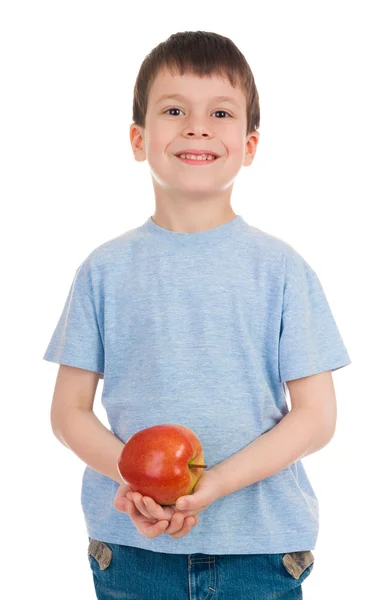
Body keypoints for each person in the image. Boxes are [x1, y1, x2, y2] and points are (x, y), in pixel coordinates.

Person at [43, 30, 351, 600]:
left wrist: (217, 483)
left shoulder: (283, 269)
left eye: (221, 112)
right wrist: (134, 479)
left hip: (260, 551)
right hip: (132, 551)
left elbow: (316, 417)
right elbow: (68, 412)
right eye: (174, 109)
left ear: (251, 145)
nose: (197, 126)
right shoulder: (102, 270)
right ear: (138, 139)